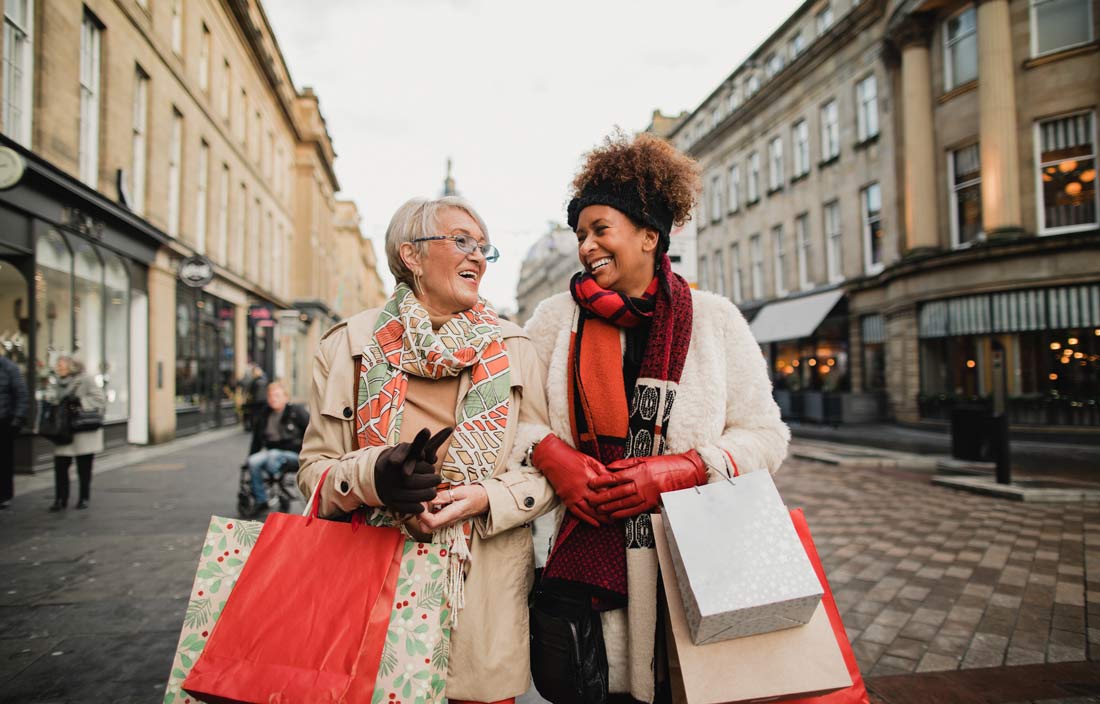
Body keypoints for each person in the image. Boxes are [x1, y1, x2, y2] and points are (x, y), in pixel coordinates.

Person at [525, 132, 791, 703]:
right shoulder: (553, 319)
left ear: (649, 237)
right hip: (582, 578)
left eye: (601, 229)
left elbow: (767, 435)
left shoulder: (715, 320)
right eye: (580, 235)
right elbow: (513, 417)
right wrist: (552, 455)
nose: (586, 246)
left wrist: (688, 468)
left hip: (691, 569)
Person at [298, 195, 555, 704]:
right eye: (461, 241)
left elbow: (543, 469)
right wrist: (377, 478)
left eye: (485, 248)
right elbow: (313, 472)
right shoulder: (346, 345)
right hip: (371, 587)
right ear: (410, 254)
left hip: (481, 601)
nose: (477, 256)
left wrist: (483, 497)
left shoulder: (516, 348)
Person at [48, 355, 107, 511]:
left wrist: (80, 402)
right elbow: (50, 399)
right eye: (58, 366)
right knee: (60, 466)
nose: (59, 369)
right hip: (63, 430)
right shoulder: (54, 382)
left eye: (62, 366)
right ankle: (60, 499)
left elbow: (100, 399)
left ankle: (83, 498)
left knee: (84, 468)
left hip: (82, 430)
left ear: (71, 366)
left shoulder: (85, 379)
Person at [245, 379, 309, 512]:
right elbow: (256, 440)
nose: (273, 399)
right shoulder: (264, 414)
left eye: (277, 396)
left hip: (293, 452)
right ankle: (261, 499)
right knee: (253, 461)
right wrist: (250, 455)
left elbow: (311, 432)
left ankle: (281, 490)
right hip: (271, 452)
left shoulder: (296, 412)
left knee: (273, 456)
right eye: (271, 396)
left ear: (286, 397)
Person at [0, 352, 28, 509]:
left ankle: (4, 495)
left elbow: (21, 394)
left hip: (4, 421)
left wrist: (17, 418)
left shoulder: (9, 367)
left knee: (4, 460)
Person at [243, 364, 268, 432]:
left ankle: (255, 427)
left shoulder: (254, 381)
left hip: (256, 401)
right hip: (263, 401)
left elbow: (250, 392)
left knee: (255, 415)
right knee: (261, 414)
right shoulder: (265, 379)